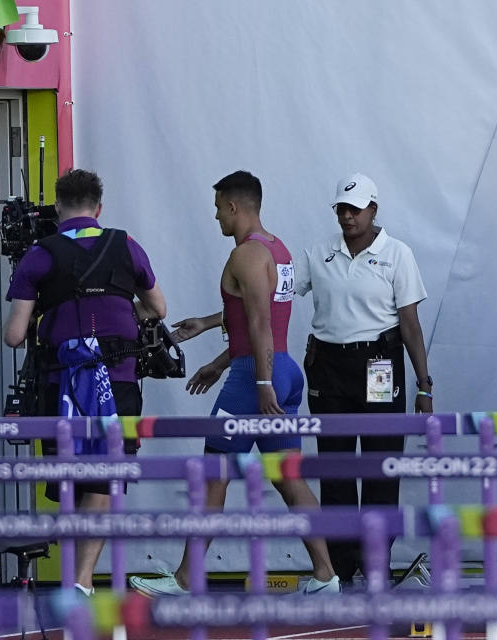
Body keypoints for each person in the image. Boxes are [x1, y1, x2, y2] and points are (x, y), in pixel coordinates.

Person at [128, 170, 339, 596]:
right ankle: (325, 575)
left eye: (218, 208)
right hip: (284, 370)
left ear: (233, 206)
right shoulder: (277, 250)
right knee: (288, 478)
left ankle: (186, 579)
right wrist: (214, 341)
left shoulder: (244, 255)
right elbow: (260, 316)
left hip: (256, 378)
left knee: (213, 476)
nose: (216, 218)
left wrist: (258, 381)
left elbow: (259, 320)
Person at [3, 169, 166, 596]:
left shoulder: (39, 254)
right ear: (99, 208)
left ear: (58, 208)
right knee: (105, 477)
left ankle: (75, 575)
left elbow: (14, 336)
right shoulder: (126, 245)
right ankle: (83, 580)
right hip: (119, 379)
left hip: (63, 386)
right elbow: (159, 308)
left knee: (69, 474)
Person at [295, 172, 431, 584]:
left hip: (379, 365)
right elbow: (276, 295)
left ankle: (374, 562)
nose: (348, 216)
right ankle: (340, 565)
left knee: (380, 467)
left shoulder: (397, 254)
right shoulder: (319, 252)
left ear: (374, 209)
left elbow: (410, 324)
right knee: (334, 467)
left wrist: (424, 384)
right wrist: (218, 321)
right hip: (329, 367)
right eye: (342, 208)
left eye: (355, 209)